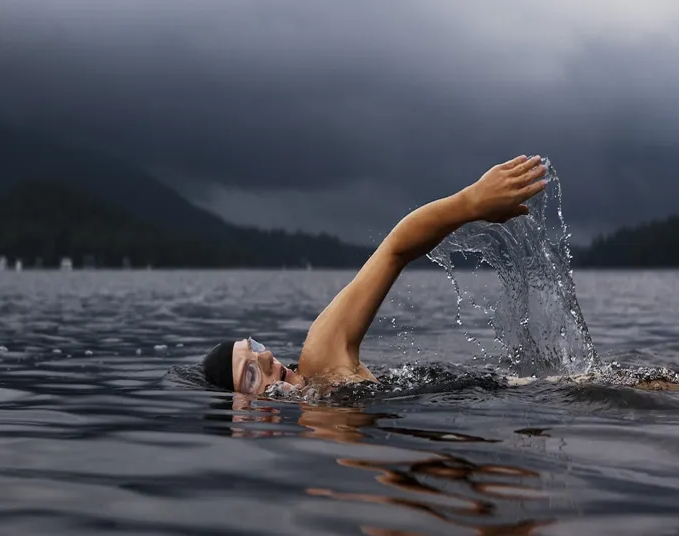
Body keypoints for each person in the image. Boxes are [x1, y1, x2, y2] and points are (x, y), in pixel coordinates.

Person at [202, 154, 549, 395]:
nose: (265, 357)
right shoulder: (320, 422)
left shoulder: (321, 359)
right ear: (244, 410)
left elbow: (395, 249)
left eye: (256, 348)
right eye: (250, 374)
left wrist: (472, 202)